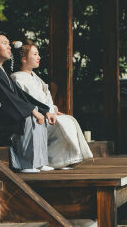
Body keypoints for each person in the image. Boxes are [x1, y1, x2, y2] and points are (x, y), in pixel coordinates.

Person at [0, 31, 54, 173]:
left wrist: (44, 110)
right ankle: (25, 163)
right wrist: (32, 110)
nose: (9, 46)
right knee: (29, 116)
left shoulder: (0, 70)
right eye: (4, 43)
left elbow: (20, 94)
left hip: (4, 110)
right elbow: (7, 97)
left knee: (38, 113)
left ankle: (39, 161)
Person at [11, 40, 93, 168]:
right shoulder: (17, 78)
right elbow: (29, 100)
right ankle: (55, 161)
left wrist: (53, 110)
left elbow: (46, 97)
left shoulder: (35, 77)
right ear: (23, 59)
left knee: (68, 120)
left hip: (47, 113)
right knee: (62, 124)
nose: (39, 57)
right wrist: (46, 112)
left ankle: (64, 160)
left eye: (38, 54)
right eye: (35, 54)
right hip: (35, 114)